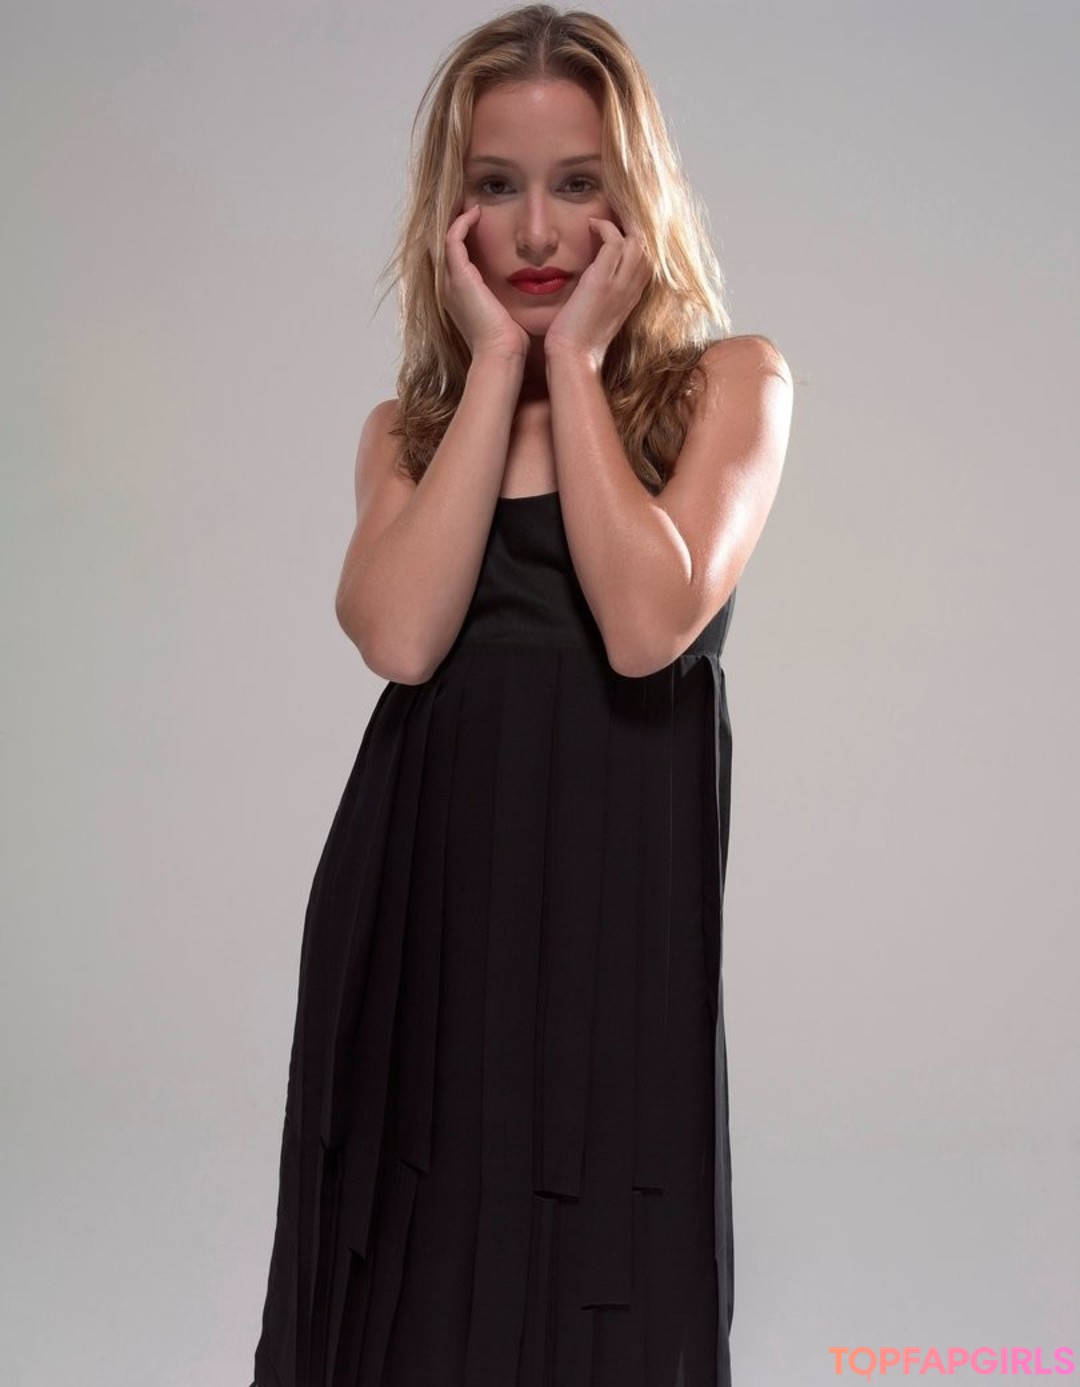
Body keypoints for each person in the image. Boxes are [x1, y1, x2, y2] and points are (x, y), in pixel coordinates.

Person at [249, 6, 792, 1386]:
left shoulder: (732, 387)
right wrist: (501, 364)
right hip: (423, 899)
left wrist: (578, 371)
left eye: (577, 183)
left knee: (607, 1279)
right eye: (497, 186)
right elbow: (400, 638)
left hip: (616, 910)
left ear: (634, 198)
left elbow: (648, 624)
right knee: (409, 1287)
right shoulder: (409, 433)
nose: (538, 232)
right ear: (453, 213)